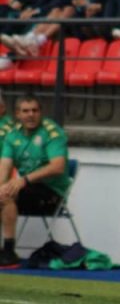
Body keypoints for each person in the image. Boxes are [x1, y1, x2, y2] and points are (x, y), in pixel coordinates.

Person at [0, 95, 71, 269]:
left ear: (40, 113)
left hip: (51, 193)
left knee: (7, 195)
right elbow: (4, 166)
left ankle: (9, 252)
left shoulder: (52, 133)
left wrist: (23, 180)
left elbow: (58, 167)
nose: (30, 115)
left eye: (35, 110)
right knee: (3, 193)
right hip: (26, 189)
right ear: (17, 114)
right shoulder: (12, 135)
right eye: (25, 111)